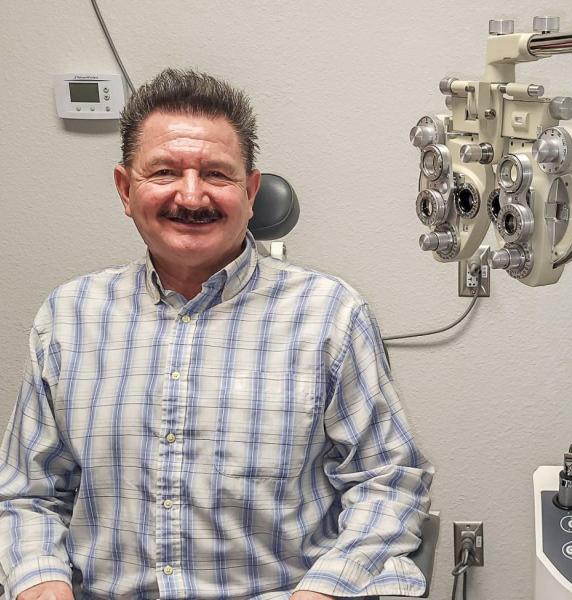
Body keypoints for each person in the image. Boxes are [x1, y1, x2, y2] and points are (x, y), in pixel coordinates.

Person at [0, 68, 433, 600]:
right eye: (164, 171)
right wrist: (42, 584)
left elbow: (389, 483)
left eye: (216, 174)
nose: (190, 195)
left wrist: (322, 592)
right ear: (125, 189)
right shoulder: (69, 317)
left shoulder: (329, 316)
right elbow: (27, 495)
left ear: (250, 192)